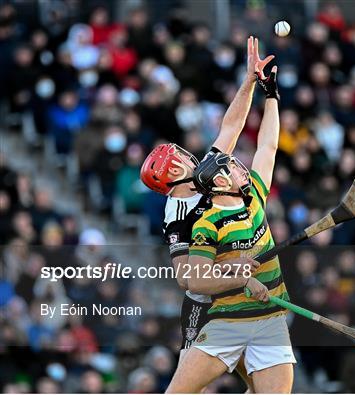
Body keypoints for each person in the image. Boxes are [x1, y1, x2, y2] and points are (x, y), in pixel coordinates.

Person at [140, 37, 274, 393]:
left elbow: (230, 127)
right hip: (209, 308)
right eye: (178, 158)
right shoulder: (178, 213)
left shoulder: (206, 175)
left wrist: (250, 82)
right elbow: (187, 279)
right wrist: (234, 273)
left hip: (241, 297)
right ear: (171, 175)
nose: (187, 155)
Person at [171, 63, 295, 393]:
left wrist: (271, 95)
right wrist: (242, 277)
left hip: (270, 321)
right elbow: (196, 278)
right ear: (222, 181)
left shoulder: (254, 194)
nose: (242, 166)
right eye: (234, 166)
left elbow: (268, 147)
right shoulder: (206, 224)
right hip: (228, 323)